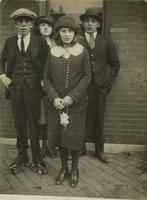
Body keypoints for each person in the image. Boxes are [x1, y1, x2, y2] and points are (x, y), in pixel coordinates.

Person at [43, 15, 91, 187]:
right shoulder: (52, 52)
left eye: (70, 31)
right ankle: (63, 168)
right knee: (61, 139)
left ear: (75, 33)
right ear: (59, 34)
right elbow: (46, 78)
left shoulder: (82, 51)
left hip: (76, 104)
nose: (67, 34)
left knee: (74, 139)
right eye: (63, 31)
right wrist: (54, 97)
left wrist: (72, 96)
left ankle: (75, 169)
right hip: (56, 104)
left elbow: (87, 77)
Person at [0, 8, 48, 174]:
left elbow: (48, 63)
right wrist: (2, 76)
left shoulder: (40, 41)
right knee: (19, 123)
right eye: (20, 21)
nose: (23, 25)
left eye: (27, 21)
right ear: (15, 24)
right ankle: (22, 156)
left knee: (33, 124)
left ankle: (37, 158)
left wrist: (43, 80)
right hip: (15, 89)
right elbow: (1, 60)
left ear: (32, 24)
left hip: (33, 89)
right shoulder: (10, 42)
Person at [79, 8, 120, 163]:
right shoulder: (77, 40)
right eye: (87, 21)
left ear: (98, 24)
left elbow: (115, 64)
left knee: (99, 119)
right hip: (82, 88)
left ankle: (99, 151)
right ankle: (80, 149)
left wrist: (107, 83)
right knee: (80, 117)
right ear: (82, 23)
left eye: (93, 21)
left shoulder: (106, 42)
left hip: (100, 88)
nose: (90, 24)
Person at [35, 15, 57, 158]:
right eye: (42, 25)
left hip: (54, 85)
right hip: (38, 85)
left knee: (53, 115)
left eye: (48, 25)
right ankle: (42, 147)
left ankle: (51, 146)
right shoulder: (34, 42)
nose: (45, 28)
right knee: (41, 116)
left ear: (52, 28)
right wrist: (40, 80)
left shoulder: (57, 43)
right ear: (38, 27)